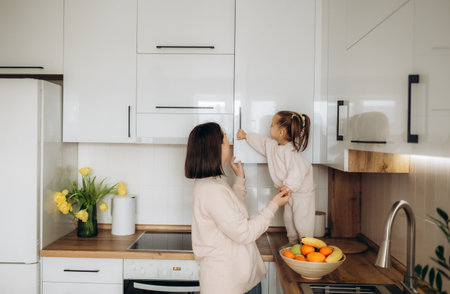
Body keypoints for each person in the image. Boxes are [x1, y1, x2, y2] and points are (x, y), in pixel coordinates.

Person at [185, 122, 290, 294]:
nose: (228, 142)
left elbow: (233, 213)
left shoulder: (212, 183)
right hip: (229, 286)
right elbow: (244, 232)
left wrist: (240, 181)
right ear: (215, 147)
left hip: (238, 282)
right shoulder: (212, 190)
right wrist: (273, 205)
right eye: (225, 137)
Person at [236, 111, 316, 244]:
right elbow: (261, 142)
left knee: (303, 220)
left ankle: (307, 244)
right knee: (289, 218)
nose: (269, 127)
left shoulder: (291, 152)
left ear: (281, 133)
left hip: (302, 193)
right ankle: (293, 242)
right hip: (289, 192)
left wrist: (289, 185)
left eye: (272, 125)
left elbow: (299, 171)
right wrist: (246, 136)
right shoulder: (273, 146)